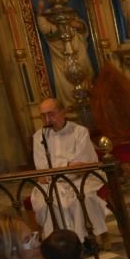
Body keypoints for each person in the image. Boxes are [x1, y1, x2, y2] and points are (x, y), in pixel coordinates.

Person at [30, 97, 109, 246]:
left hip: (83, 178)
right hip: (51, 182)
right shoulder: (39, 137)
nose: (47, 119)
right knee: (47, 201)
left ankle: (84, 239)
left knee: (82, 197)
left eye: (51, 114)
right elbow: (42, 168)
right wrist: (67, 166)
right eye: (43, 115)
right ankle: (59, 243)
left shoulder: (79, 132)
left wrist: (59, 169)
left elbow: (80, 166)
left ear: (62, 112)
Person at [35, 0, 94, 103]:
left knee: (85, 72)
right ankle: (71, 104)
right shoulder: (49, 16)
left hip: (78, 49)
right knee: (66, 82)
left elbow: (82, 28)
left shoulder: (70, 12)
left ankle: (88, 98)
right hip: (61, 56)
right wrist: (40, 13)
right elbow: (46, 30)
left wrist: (79, 26)